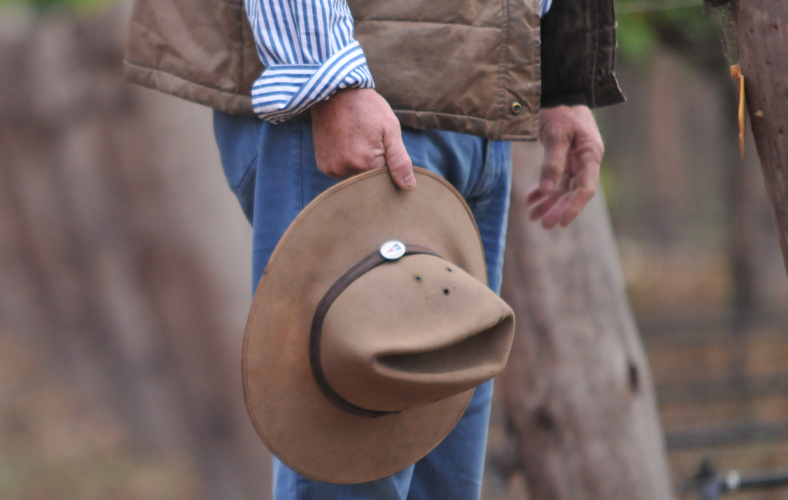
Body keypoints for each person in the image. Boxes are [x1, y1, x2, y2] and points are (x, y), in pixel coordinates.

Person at [124, 0, 624, 496]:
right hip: (362, 99)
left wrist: (560, 72)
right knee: (349, 477)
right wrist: (328, 76)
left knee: (445, 483)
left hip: (480, 91)